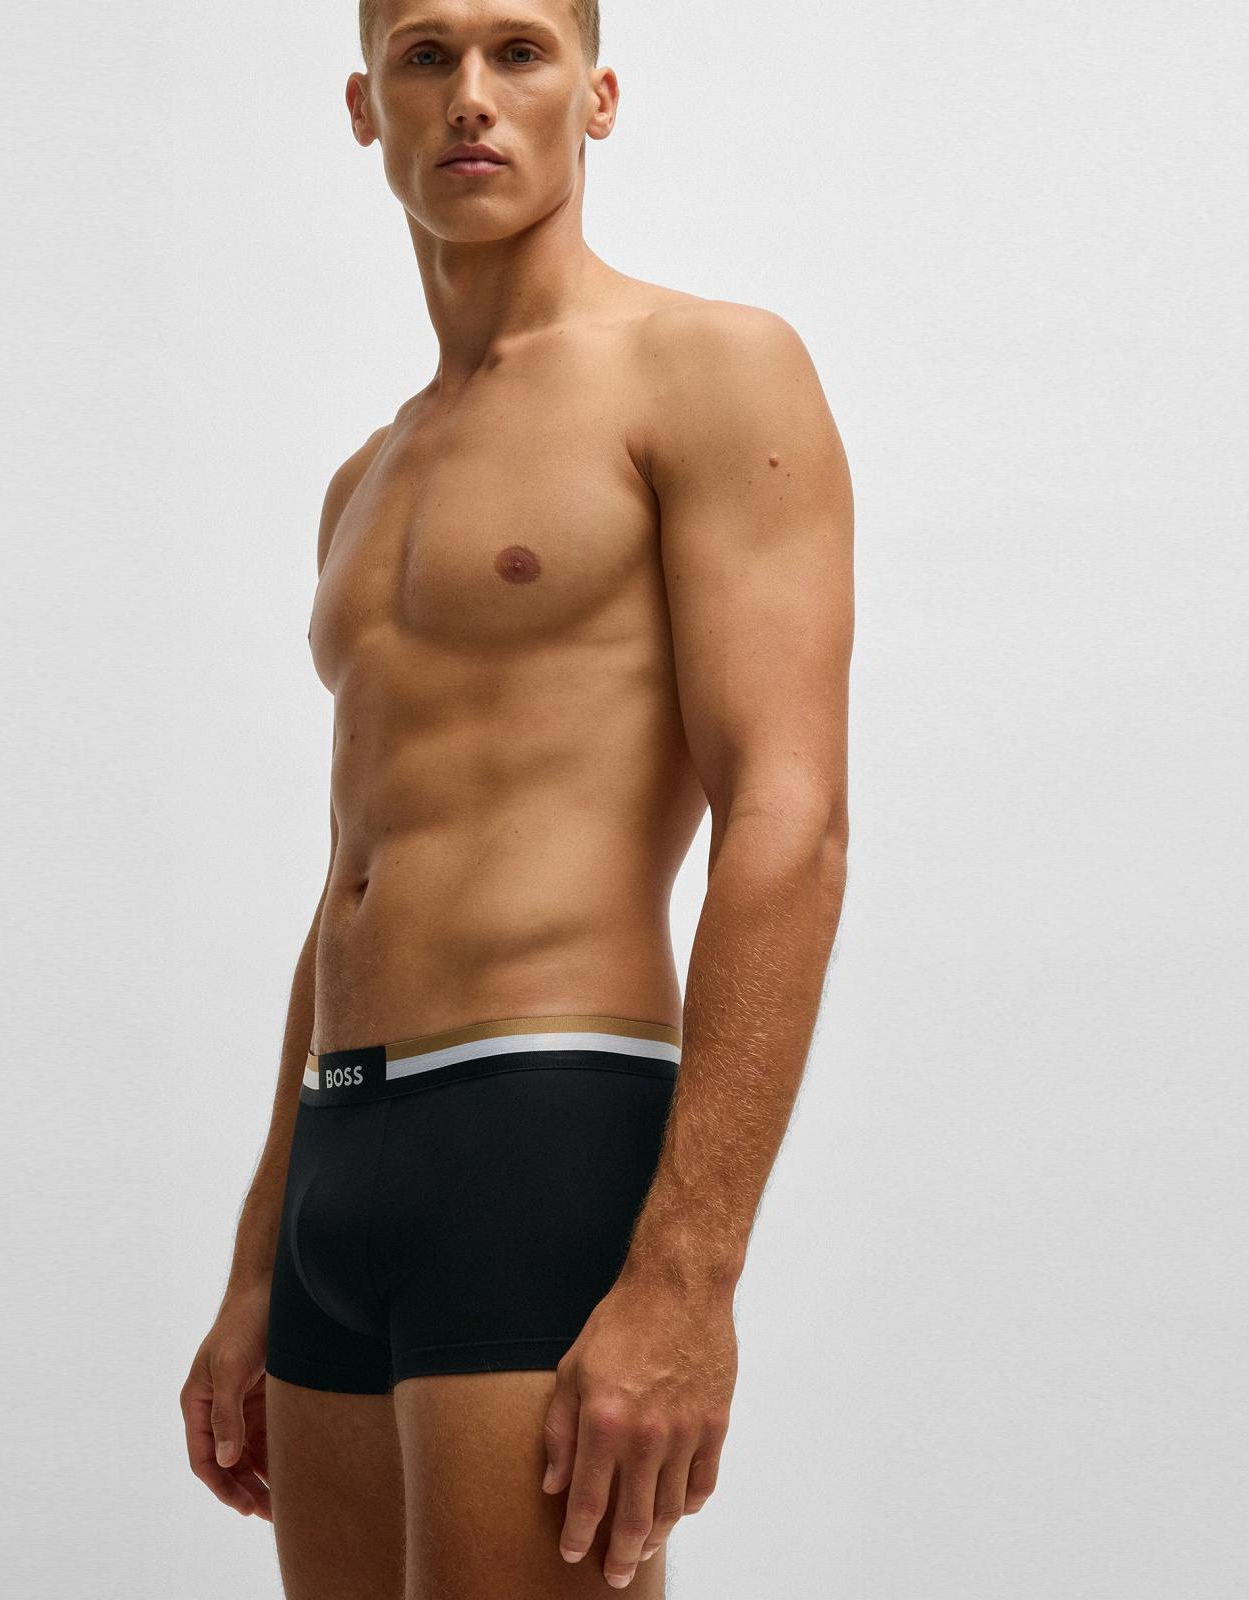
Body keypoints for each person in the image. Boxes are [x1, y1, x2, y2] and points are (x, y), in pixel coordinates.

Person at [180, 1, 854, 1592]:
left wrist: (689, 1275)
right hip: (341, 1150)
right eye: (426, 56)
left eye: (519, 51)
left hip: (541, 1130)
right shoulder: (365, 480)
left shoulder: (709, 369)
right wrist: (260, 1256)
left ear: (597, 96)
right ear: (367, 106)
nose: (471, 96)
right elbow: (353, 873)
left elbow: (789, 820)